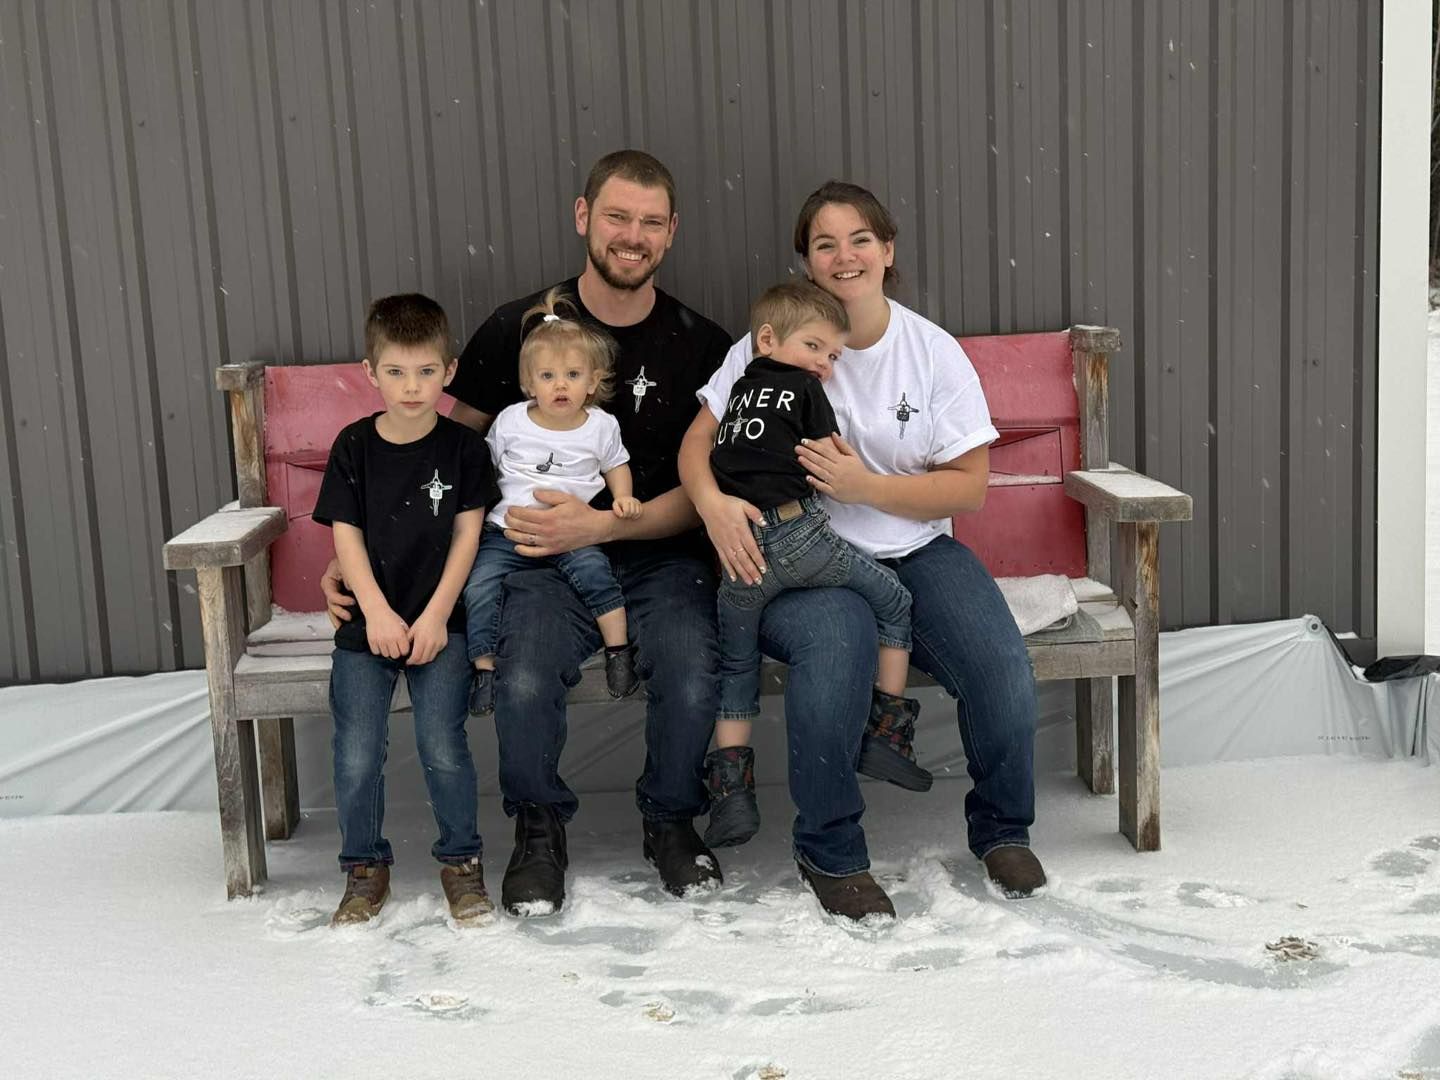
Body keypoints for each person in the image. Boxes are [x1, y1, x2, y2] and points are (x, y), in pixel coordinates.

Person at [324, 151, 734, 916]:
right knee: (519, 677)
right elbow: (440, 464)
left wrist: (613, 521)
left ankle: (670, 818)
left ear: (672, 232)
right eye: (616, 216)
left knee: (688, 667)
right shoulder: (514, 332)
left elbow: (707, 491)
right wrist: (355, 557)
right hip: (536, 559)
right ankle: (538, 828)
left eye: (650, 222)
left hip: (657, 557)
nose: (631, 236)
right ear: (583, 217)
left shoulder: (702, 346)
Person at [680, 181, 1047, 920]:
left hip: (913, 546)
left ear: (887, 251)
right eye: (824, 244)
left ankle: (1003, 831)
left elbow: (968, 488)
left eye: (858, 240)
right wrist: (713, 504)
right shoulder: (776, 340)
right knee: (837, 647)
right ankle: (832, 850)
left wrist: (867, 486)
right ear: (807, 262)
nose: (843, 256)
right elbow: (697, 444)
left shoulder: (929, 351)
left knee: (1000, 668)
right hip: (801, 556)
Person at [682, 281, 915, 850]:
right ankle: (887, 731)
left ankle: (732, 789)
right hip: (800, 539)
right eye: (815, 347)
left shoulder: (736, 392)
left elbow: (715, 453)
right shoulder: (805, 392)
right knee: (893, 599)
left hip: (738, 556)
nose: (824, 364)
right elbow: (831, 462)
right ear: (768, 338)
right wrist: (854, 467)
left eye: (833, 356)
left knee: (736, 669)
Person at [312, 294, 498, 928]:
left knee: (441, 742)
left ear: (448, 371)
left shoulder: (465, 452)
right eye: (396, 371)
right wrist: (380, 615)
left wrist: (436, 617)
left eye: (425, 371)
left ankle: (461, 863)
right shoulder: (354, 447)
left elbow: (469, 538)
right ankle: (364, 868)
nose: (411, 386)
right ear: (371, 373)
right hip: (371, 627)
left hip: (440, 628)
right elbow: (346, 537)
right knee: (358, 749)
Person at [461, 288, 643, 717]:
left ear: (593, 381)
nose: (560, 385)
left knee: (598, 575)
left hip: (574, 533)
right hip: (508, 531)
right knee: (480, 584)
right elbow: (483, 466)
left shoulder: (600, 426)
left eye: (573, 375)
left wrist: (623, 498)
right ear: (528, 383)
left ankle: (618, 650)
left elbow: (617, 464)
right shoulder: (510, 421)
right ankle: (484, 668)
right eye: (547, 377)